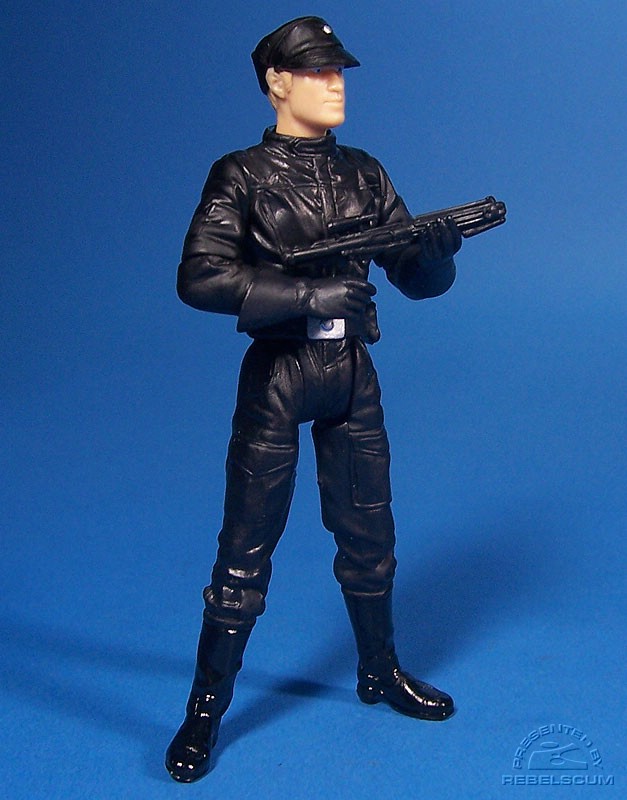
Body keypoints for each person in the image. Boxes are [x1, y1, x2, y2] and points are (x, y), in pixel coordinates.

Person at [166, 16, 461, 783]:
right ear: (276, 82)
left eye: (338, 71)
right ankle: (204, 710)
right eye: (317, 72)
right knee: (243, 553)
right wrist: (303, 295)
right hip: (279, 373)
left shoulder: (364, 172)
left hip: (350, 372)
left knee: (370, 536)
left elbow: (413, 276)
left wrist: (436, 257)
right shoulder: (240, 175)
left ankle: (379, 669)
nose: (335, 85)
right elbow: (199, 276)